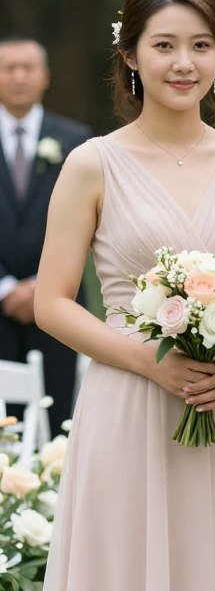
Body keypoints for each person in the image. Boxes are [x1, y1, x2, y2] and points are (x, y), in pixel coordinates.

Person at [35, 0, 215, 590]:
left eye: (202, 45)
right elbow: (52, 302)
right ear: (130, 55)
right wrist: (151, 362)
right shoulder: (93, 163)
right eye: (164, 45)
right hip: (129, 399)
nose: (184, 63)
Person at [0, 35, 90, 429]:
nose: (19, 77)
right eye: (8, 68)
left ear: (45, 77)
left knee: (57, 424)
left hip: (59, 307)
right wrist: (6, 288)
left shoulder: (78, 142)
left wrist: (44, 284)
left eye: (28, 68)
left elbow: (95, 223)